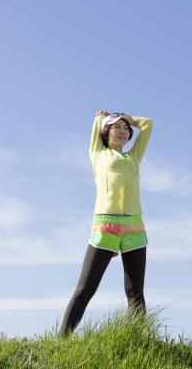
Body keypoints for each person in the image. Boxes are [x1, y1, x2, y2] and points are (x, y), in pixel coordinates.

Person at [60, 110, 153, 335]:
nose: (122, 131)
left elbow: (148, 124)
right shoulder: (98, 153)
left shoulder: (133, 157)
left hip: (134, 228)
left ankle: (139, 339)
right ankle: (61, 340)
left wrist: (126, 118)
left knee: (135, 292)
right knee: (85, 288)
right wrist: (103, 118)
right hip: (105, 226)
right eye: (116, 128)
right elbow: (97, 123)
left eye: (125, 129)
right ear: (105, 133)